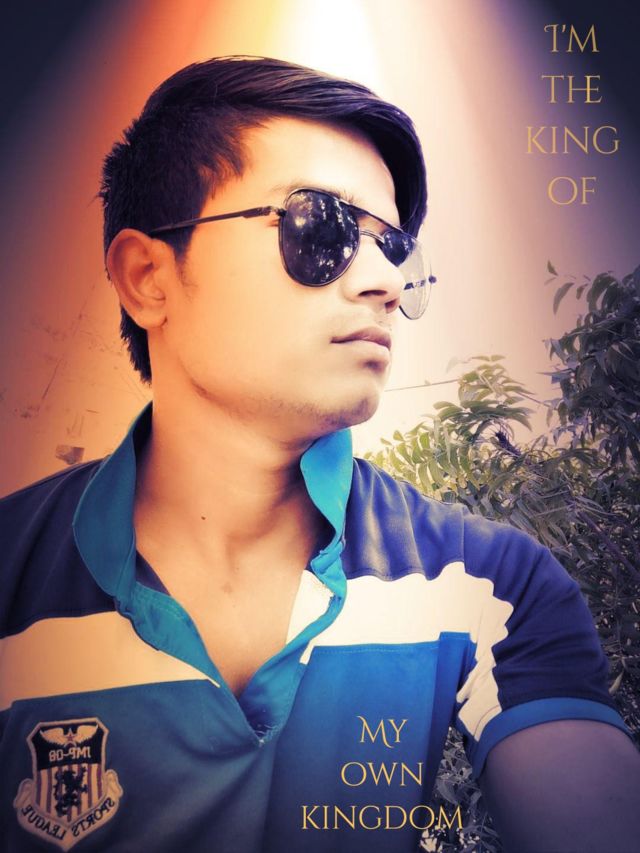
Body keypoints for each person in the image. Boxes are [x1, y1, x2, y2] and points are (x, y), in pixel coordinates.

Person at [1, 56, 638, 853]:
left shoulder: (489, 586)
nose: (383, 282)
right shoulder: (13, 577)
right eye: (320, 227)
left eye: (393, 248)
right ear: (148, 278)